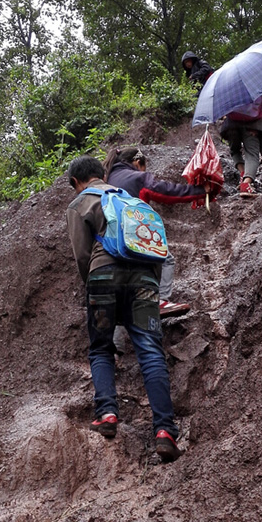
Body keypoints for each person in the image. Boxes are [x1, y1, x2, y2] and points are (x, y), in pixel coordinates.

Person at [66, 154, 182, 463]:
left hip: (103, 274)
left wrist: (92, 283)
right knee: (150, 350)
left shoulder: (81, 203)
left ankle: (107, 414)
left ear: (77, 182)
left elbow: (81, 255)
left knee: (102, 348)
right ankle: (165, 431)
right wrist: (152, 286)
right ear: (101, 174)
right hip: (144, 276)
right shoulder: (129, 199)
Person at [104, 146, 212, 318]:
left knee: (122, 301)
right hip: (133, 237)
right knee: (166, 259)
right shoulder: (138, 177)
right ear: (137, 162)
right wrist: (198, 191)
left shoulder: (107, 178)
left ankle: (117, 343)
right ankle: (160, 301)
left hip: (108, 243)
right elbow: (166, 192)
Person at [219, 94, 262, 198]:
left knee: (234, 151)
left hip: (230, 127)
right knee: (252, 155)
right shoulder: (257, 95)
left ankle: (243, 173)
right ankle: (246, 184)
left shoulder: (228, 96)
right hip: (252, 128)